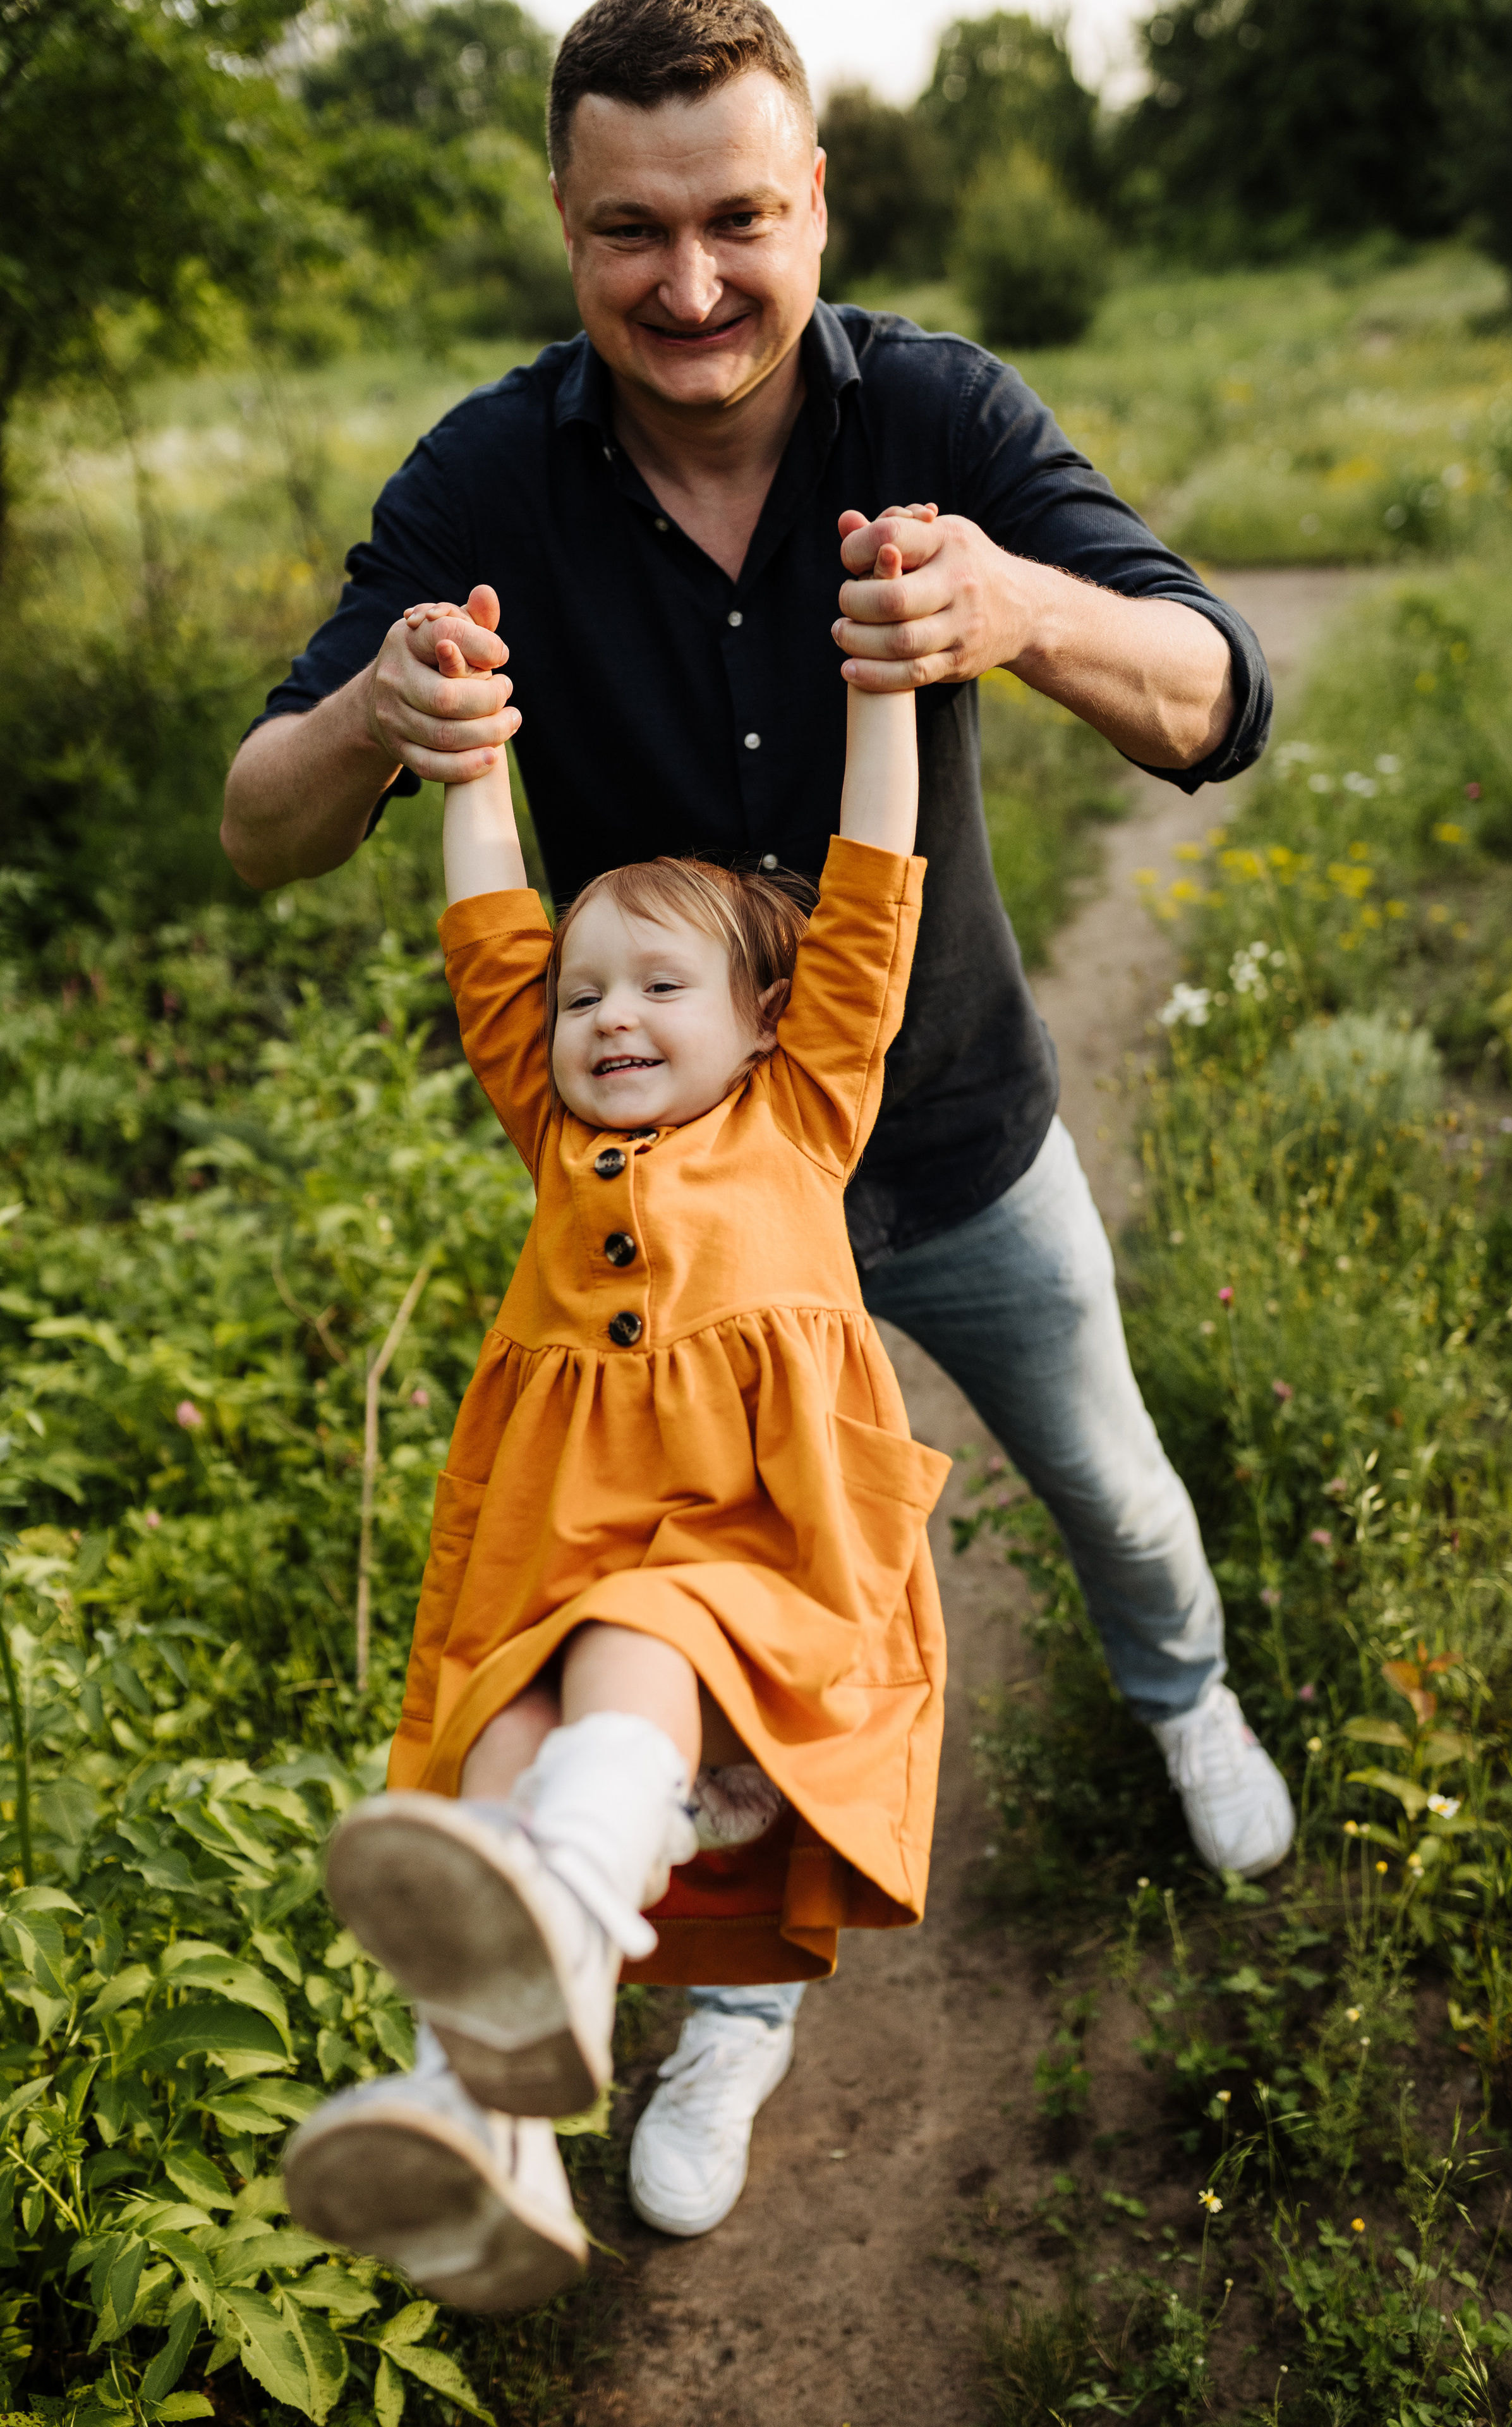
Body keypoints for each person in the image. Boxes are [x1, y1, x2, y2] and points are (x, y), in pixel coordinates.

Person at [224, 0, 1293, 2246]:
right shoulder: (486, 479)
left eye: (739, 221)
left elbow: (1217, 693)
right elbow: (259, 820)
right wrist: (374, 716)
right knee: (685, 1638)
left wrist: (1012, 604)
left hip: (956, 1134)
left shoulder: (935, 409)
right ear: (566, 221)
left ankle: (1182, 1699)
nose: (690, 281)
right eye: (634, 230)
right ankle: (718, 2023)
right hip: (674, 1250)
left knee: (1107, 1480)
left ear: (818, 202)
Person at [284, 565, 946, 2308]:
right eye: (586, 999)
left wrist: (883, 690)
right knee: (492, 1759)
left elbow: (871, 894)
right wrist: (471, 745)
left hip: (743, 1536)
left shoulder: (802, 1115)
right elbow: (491, 923)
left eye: (661, 988)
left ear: (762, 1023)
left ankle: (572, 1926)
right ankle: (477, 2118)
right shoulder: (553, 1129)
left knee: (642, 1649)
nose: (612, 1020)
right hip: (551, 1535)